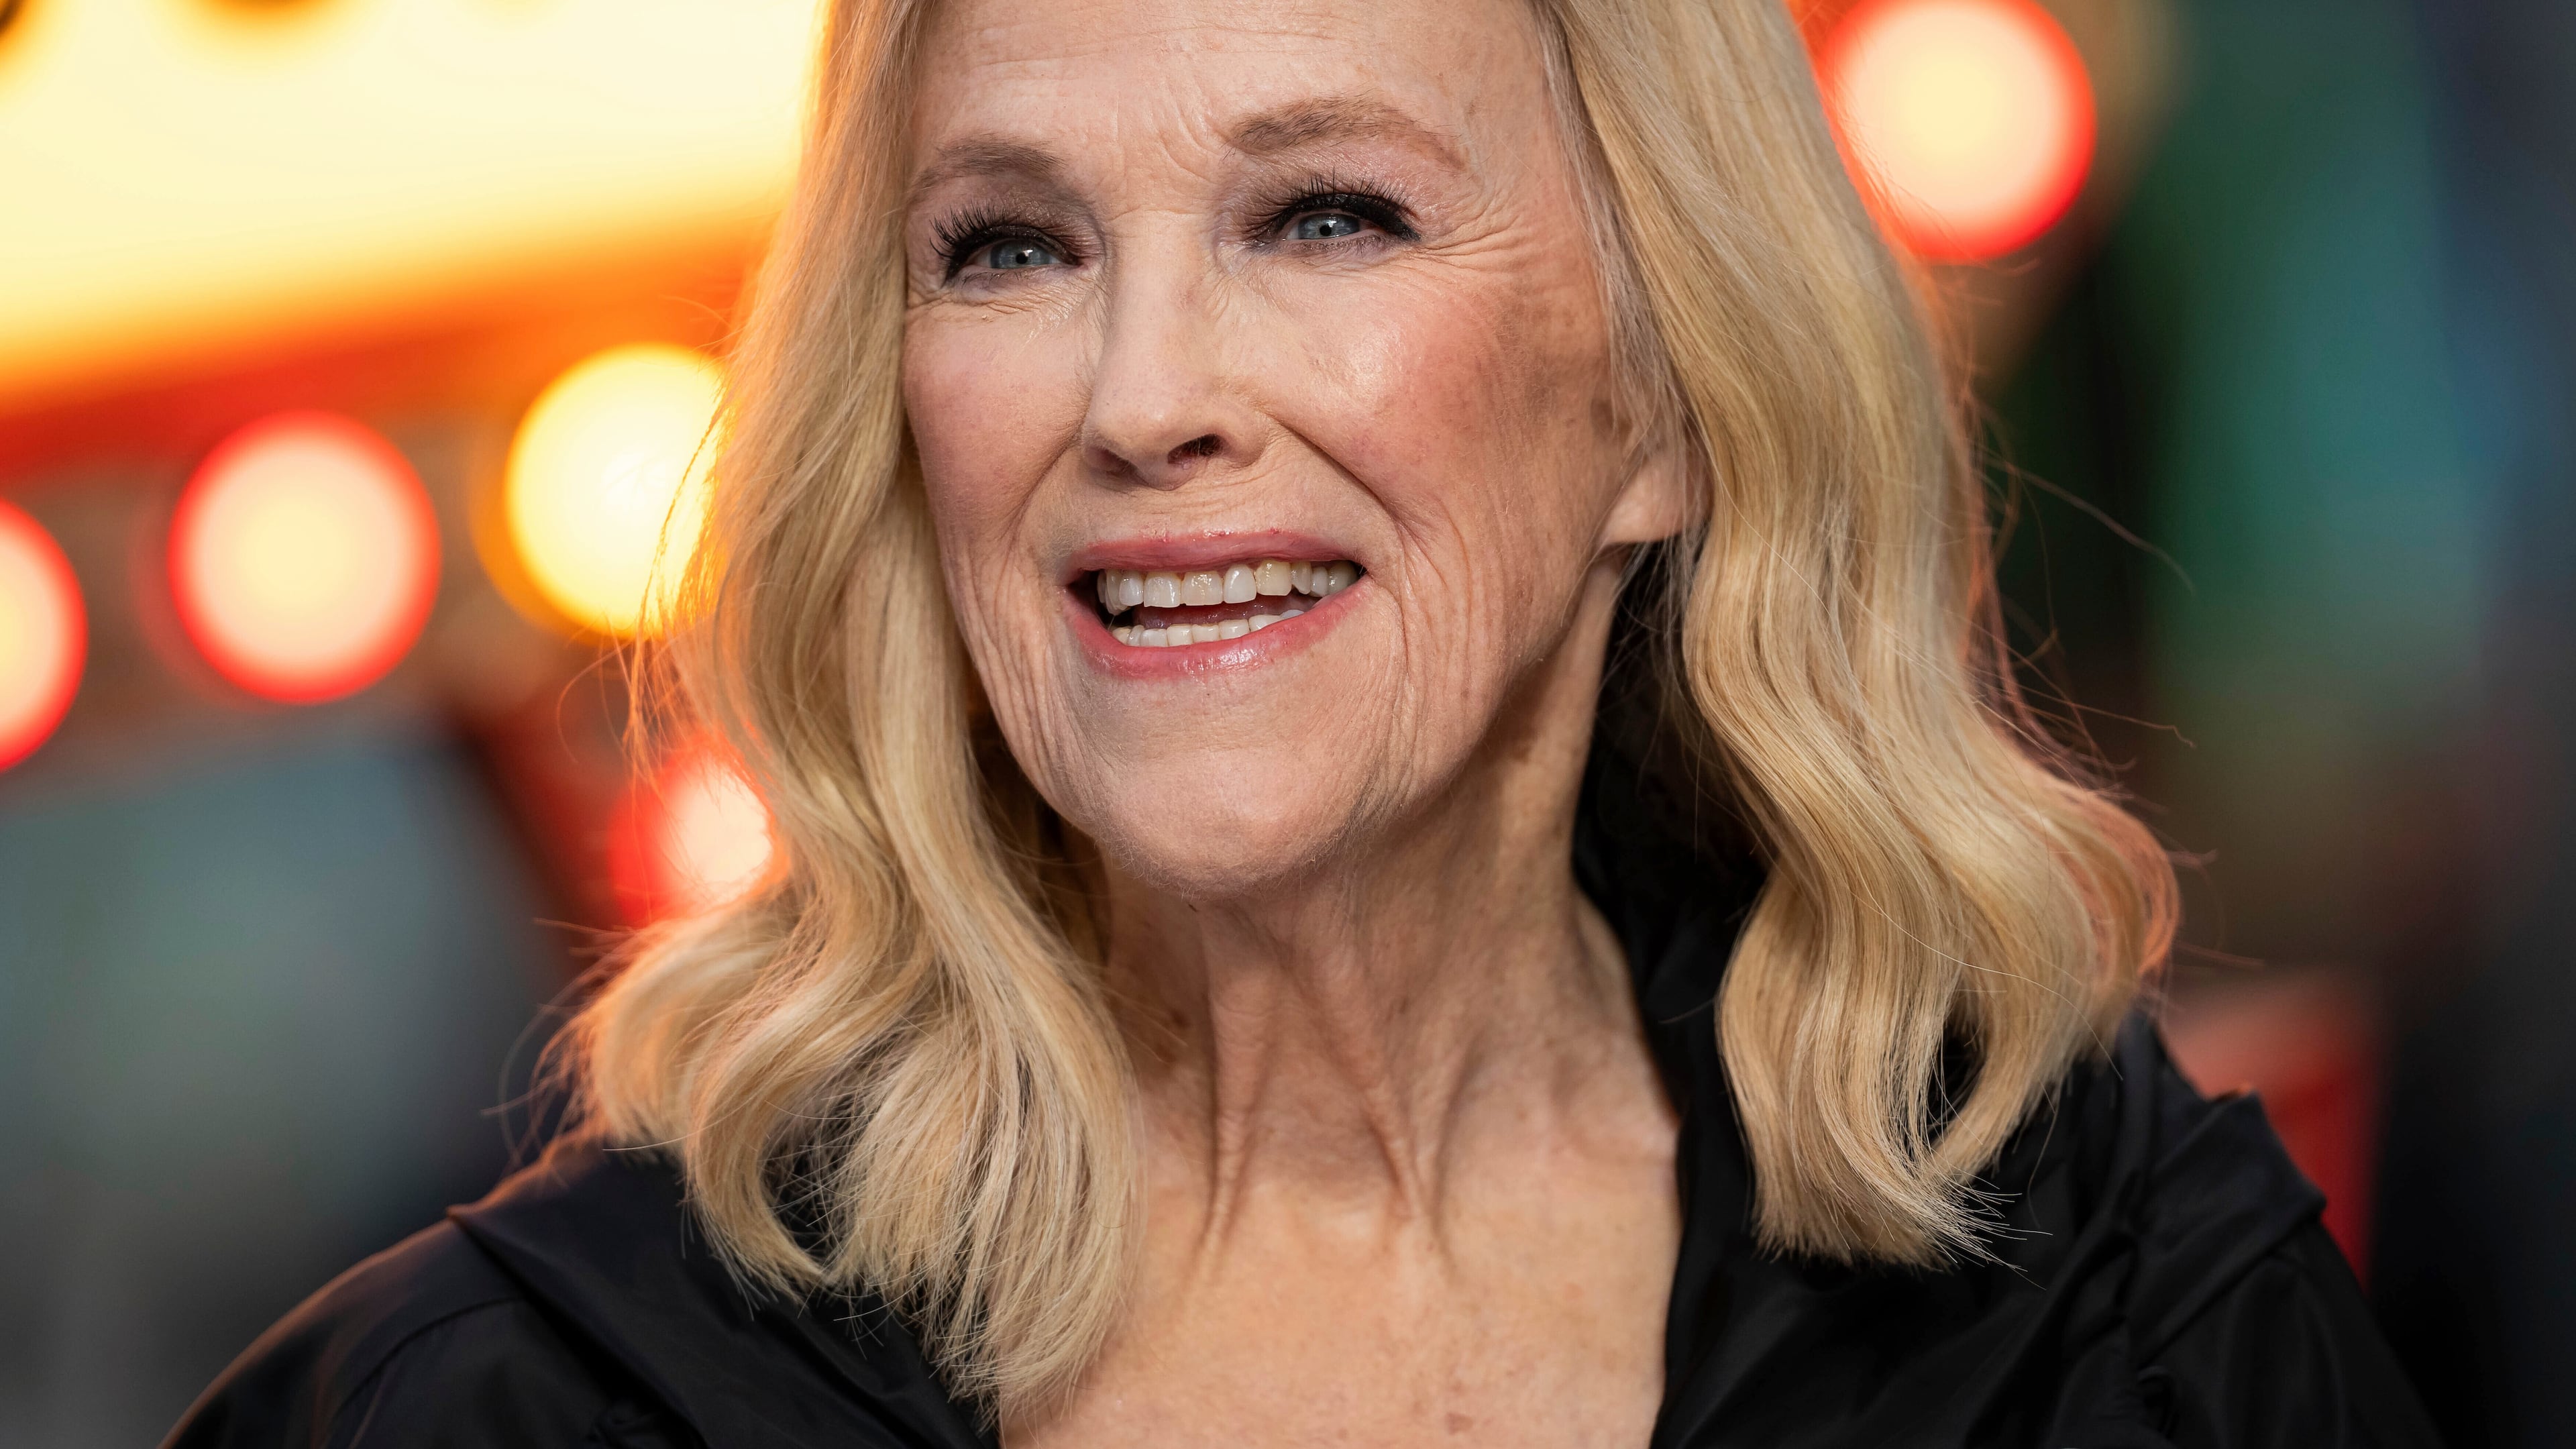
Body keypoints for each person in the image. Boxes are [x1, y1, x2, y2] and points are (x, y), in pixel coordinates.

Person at [168, 0, 2441, 1444]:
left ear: (1658, 404)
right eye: (1008, 248)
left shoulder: (2092, 1286)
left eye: (1327, 215)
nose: (1143, 400)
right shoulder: (505, 1407)